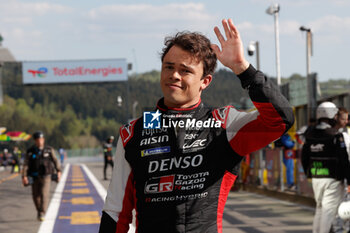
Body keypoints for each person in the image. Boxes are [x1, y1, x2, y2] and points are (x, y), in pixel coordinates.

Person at [99, 18, 294, 233]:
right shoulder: (133, 132)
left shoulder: (224, 124)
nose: (174, 75)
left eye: (185, 70)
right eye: (169, 67)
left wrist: (242, 69)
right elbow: (116, 212)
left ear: (205, 81)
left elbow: (280, 120)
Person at [301, 102, 350, 233]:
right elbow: (344, 160)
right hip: (333, 179)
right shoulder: (336, 135)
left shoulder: (309, 135)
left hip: (316, 177)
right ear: (332, 116)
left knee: (320, 209)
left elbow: (304, 157)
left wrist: (309, 173)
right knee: (328, 213)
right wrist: (349, 180)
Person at [22, 131, 61, 221]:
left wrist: (59, 171)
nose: (40, 141)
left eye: (41, 139)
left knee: (44, 194)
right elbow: (26, 164)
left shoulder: (49, 149)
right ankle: (39, 210)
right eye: (38, 140)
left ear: (43, 140)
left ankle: (42, 212)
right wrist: (24, 176)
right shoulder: (30, 151)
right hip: (34, 176)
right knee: (35, 196)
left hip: (46, 175)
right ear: (35, 141)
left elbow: (55, 161)